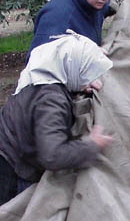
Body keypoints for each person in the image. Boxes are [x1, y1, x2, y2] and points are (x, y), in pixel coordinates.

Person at [0, 32, 114, 206]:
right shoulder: (52, 101)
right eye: (85, 71)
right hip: (12, 165)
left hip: (9, 144)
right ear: (74, 67)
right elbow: (52, 155)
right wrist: (92, 145)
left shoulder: (43, 72)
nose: (91, 79)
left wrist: (82, 81)